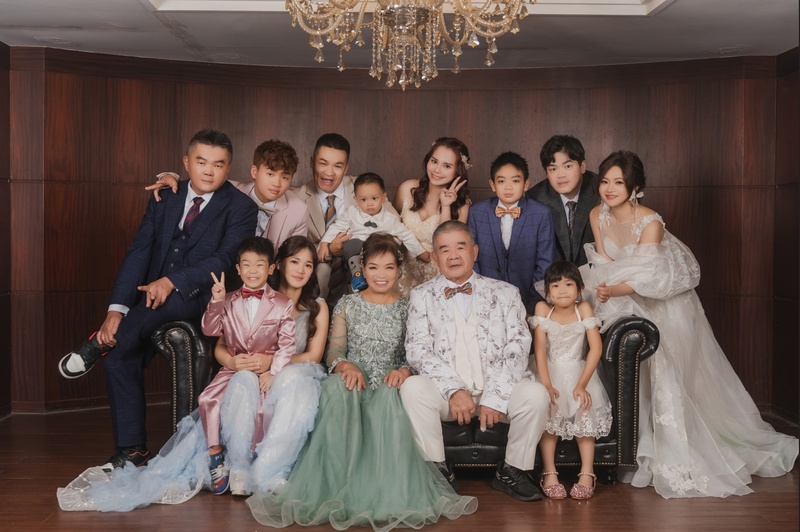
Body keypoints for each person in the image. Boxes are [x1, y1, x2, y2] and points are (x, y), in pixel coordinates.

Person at [580, 150, 798, 498]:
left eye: (618, 182)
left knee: (667, 369)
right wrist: (603, 292)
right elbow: (603, 264)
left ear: (635, 187)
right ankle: (632, 441)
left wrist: (610, 291)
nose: (609, 189)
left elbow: (647, 277)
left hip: (664, 302)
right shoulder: (597, 214)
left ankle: (677, 444)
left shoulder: (650, 222)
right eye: (605, 181)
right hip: (620, 296)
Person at [57, 236, 329, 511]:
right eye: (294, 262)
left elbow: (306, 353)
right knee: (225, 392)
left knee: (294, 387)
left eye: (308, 265)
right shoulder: (233, 299)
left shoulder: (302, 305)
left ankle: (268, 469)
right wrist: (228, 341)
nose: (300, 269)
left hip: (283, 373)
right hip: (241, 370)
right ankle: (231, 464)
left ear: (269, 267)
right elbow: (218, 339)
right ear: (278, 265)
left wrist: (271, 365)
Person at [246, 233, 477, 531]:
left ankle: (384, 492)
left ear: (399, 270)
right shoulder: (348, 304)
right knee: (336, 390)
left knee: (391, 400)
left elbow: (416, 350)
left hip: (391, 378)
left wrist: (404, 370)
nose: (381, 275)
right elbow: (334, 351)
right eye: (374, 267)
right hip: (353, 375)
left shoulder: (409, 305)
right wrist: (345, 366)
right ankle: (336, 488)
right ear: (363, 269)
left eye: (389, 267)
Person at [57, 129, 258, 470]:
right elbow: (139, 252)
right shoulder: (166, 196)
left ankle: (97, 343)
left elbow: (225, 259)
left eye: (218, 164)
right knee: (119, 356)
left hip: (201, 296)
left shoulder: (242, 207)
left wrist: (172, 281)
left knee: (147, 313)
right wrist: (116, 309)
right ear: (186, 163)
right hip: (150, 295)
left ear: (229, 168)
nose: (209, 171)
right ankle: (132, 450)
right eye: (201, 162)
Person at [401, 221, 550, 502]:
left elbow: (518, 347)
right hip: (448, 396)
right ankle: (436, 471)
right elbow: (418, 350)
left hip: (496, 393)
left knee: (536, 395)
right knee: (412, 388)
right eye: (444, 249)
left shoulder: (506, 292)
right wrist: (454, 390)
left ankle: (513, 471)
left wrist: (495, 397)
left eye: (460, 247)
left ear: (475, 251)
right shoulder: (421, 296)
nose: (453, 255)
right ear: (435, 257)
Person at [198, 236, 295, 496]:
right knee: (208, 399)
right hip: (234, 368)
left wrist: (274, 372)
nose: (253, 270)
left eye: (259, 264)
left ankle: (249, 465)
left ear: (271, 268)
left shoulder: (283, 303)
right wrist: (217, 301)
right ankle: (216, 455)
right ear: (238, 269)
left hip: (264, 371)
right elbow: (209, 330)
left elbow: (287, 344)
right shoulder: (228, 300)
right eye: (246, 265)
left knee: (262, 408)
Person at [527, 261, 611, 500]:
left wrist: (582, 385)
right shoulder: (542, 309)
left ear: (580, 288)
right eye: (555, 285)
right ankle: (549, 471)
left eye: (568, 284)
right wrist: (546, 384)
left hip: (578, 371)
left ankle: (587, 472)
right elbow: (539, 350)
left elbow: (595, 349)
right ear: (547, 292)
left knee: (584, 409)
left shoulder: (583, 308)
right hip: (548, 370)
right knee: (549, 410)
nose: (562, 290)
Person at [294, 133, 397, 304]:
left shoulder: (367, 188)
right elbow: (294, 249)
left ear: (346, 168)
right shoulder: (296, 198)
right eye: (323, 163)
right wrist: (328, 249)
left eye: (338, 166)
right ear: (312, 162)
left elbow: (395, 230)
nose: (329, 173)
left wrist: (361, 247)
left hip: (366, 278)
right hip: (315, 285)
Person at [151, 139, 308, 250]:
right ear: (254, 171)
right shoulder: (229, 190)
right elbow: (198, 182)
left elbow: (294, 256)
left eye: (285, 177)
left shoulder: (299, 210)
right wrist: (170, 176)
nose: (277, 183)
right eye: (270, 174)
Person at [468, 151, 555, 314]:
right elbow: (473, 258)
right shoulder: (477, 211)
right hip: (485, 297)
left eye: (515, 181)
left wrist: (533, 298)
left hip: (528, 297)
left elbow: (545, 261)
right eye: (501, 181)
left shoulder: (541, 213)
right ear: (493, 184)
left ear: (526, 184)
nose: (508, 187)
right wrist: (481, 291)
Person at [318, 172, 430, 291]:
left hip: (378, 253)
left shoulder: (390, 219)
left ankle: (378, 279)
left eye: (374, 198)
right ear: (356, 199)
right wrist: (325, 243)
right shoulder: (351, 213)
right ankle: (357, 276)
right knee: (351, 244)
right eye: (363, 200)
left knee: (387, 249)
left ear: (383, 197)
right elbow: (336, 227)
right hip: (356, 250)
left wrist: (420, 252)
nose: (369, 204)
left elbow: (406, 235)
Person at [393, 137, 471, 294]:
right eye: (434, 161)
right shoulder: (407, 189)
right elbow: (389, 225)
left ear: (458, 170)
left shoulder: (462, 205)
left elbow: (447, 243)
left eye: (447, 166)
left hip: (435, 279)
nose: (437, 170)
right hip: (400, 271)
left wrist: (446, 206)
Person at [526, 134, 598, 266]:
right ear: (546, 172)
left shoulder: (601, 191)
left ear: (582, 166)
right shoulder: (535, 198)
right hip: (553, 274)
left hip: (597, 273)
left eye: (568, 166)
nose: (561, 175)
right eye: (553, 169)